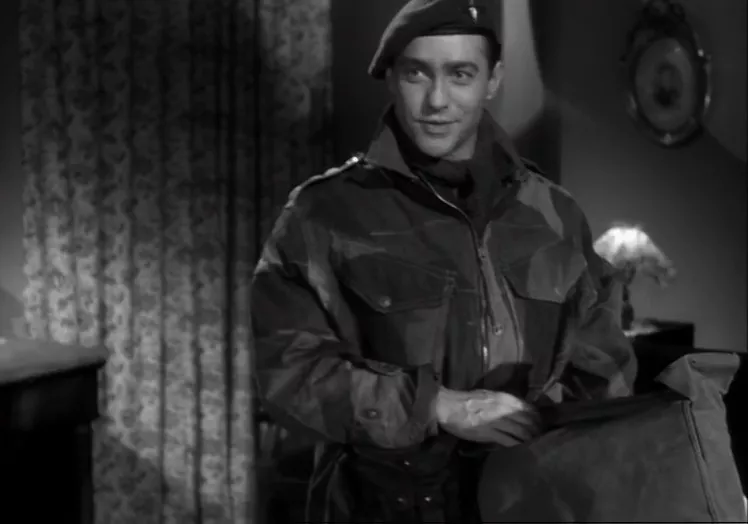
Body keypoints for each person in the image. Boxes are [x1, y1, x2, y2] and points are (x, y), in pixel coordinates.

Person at [250, 0, 637, 522]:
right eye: (417, 73)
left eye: (460, 74)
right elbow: (287, 371)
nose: (437, 100)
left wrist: (540, 425)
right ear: (392, 78)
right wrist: (434, 405)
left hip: (529, 504)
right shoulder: (323, 214)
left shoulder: (555, 213)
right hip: (380, 509)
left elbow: (605, 362)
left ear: (492, 80)